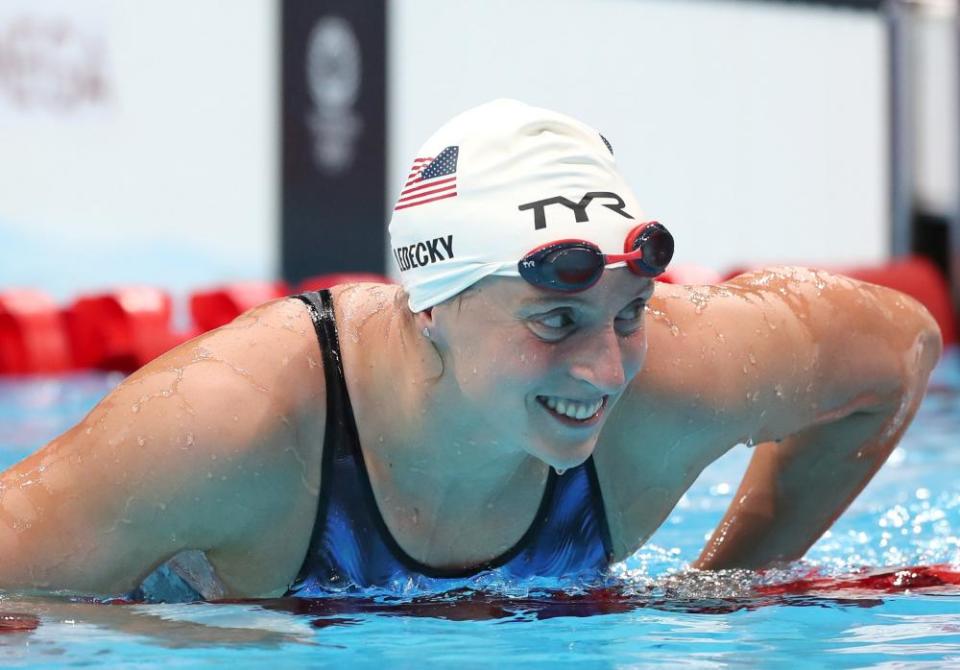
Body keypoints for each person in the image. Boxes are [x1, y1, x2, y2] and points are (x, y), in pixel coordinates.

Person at [0, 99, 942, 599]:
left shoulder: (684, 377)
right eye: (553, 321)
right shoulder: (232, 425)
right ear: (431, 308)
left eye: (627, 313)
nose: (608, 373)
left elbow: (899, 346)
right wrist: (175, 641)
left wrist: (731, 582)